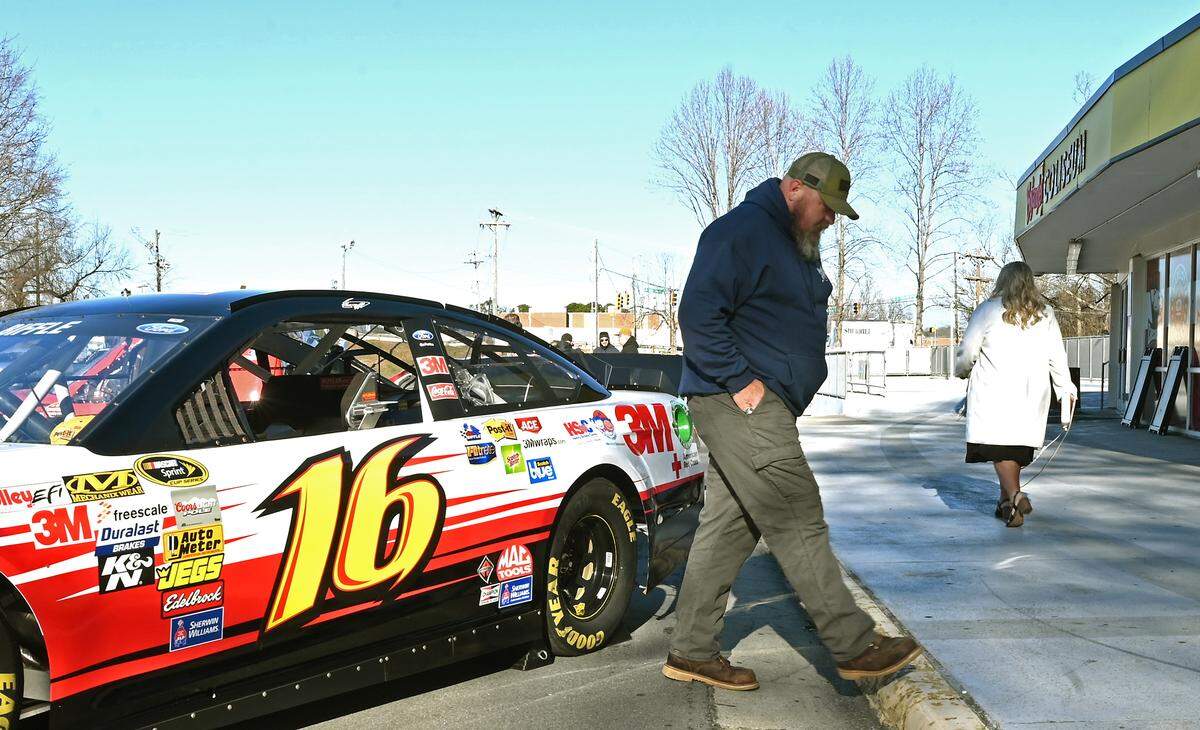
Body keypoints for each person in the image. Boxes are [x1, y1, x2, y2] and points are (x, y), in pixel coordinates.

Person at [665, 152, 922, 691]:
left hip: (753, 403)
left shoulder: (792, 244)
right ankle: (855, 645)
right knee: (798, 514)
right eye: (827, 207)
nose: (831, 219)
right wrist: (742, 381)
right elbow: (697, 314)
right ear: (795, 189)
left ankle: (692, 651)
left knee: (728, 527)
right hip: (740, 401)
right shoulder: (740, 232)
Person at [954, 261, 1076, 527]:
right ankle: (1008, 505)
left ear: (1002, 281)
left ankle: (1016, 494)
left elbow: (968, 351)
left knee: (999, 447)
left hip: (993, 393)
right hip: (1032, 394)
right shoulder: (1045, 314)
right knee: (1014, 449)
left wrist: (962, 371)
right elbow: (1057, 356)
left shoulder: (988, 310)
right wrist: (1064, 388)